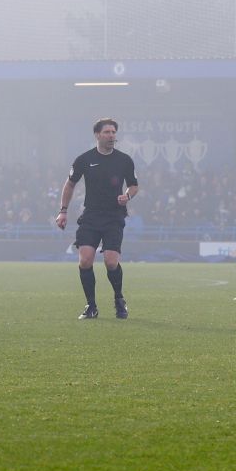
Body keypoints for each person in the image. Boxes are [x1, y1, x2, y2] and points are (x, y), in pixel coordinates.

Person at [56, 118, 140, 320]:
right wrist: (63, 211)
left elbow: (134, 185)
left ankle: (119, 300)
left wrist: (127, 196)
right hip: (91, 215)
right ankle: (91, 306)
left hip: (113, 216)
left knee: (111, 262)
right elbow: (69, 184)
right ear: (97, 135)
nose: (111, 136)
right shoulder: (84, 160)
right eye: (107, 132)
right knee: (85, 260)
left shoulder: (124, 160)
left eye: (113, 132)